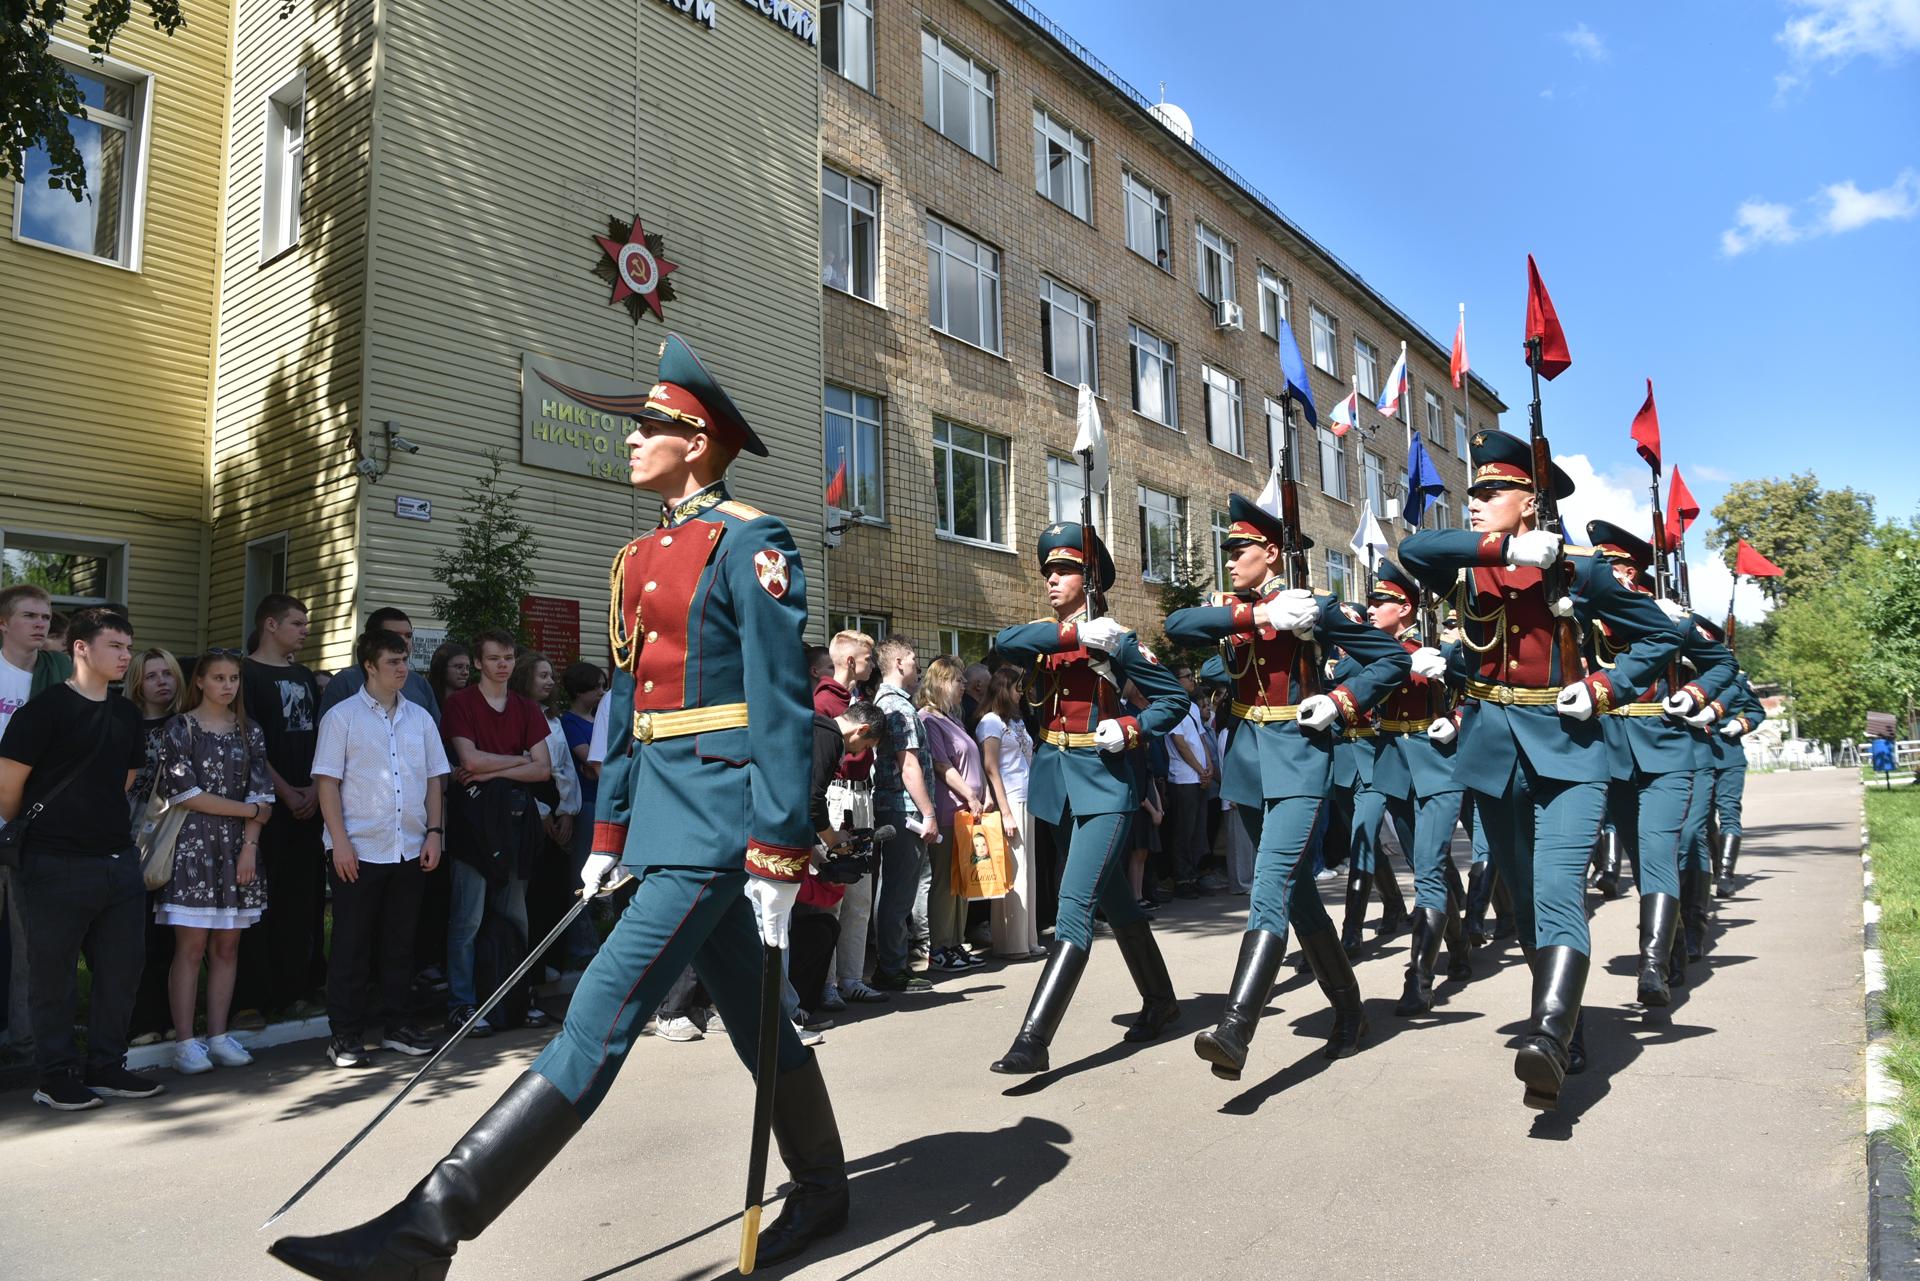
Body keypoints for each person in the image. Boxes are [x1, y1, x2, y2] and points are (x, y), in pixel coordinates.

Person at [271, 333, 850, 1277]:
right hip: (661, 816)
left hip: (714, 823)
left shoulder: (752, 540)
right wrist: (607, 831)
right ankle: (825, 1187)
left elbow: (779, 707)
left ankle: (427, 1232)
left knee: (597, 1011)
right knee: (759, 1017)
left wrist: (780, 847)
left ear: (695, 441)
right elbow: (627, 709)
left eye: (649, 427)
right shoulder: (635, 558)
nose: (631, 441)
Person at [1400, 430, 1678, 1111]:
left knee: (1556, 890)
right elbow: (1413, 549)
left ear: (1532, 500)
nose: (1476, 503)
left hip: (1570, 744)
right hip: (1494, 748)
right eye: (1475, 491)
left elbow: (1660, 635)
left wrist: (1607, 687)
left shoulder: (1580, 569)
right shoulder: (1469, 561)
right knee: (1523, 902)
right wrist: (1502, 546)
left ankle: (1548, 1035)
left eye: (1493, 492)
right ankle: (1570, 1017)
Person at [1165, 496, 1409, 1080]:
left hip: (1300, 760)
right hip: (1249, 761)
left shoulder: (1317, 607)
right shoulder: (1234, 609)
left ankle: (1235, 1029)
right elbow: (1179, 626)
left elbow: (1391, 662)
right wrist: (1258, 618)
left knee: (1270, 885)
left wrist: (1338, 700)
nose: (1229, 560)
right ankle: (1351, 1012)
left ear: (1271, 553)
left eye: (1239, 550)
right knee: (1297, 895)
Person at [987, 523, 1189, 1075]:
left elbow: (1171, 700)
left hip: (1104, 782)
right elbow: (1003, 643)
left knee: (1075, 903)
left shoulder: (1123, 641)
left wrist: (1130, 727)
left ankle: (1033, 1039)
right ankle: (1161, 1000)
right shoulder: (1050, 636)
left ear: (1090, 577)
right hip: (1057, 780)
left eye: (1064, 570)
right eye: (1048, 571)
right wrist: (1077, 638)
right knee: (1115, 899)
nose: (1051, 579)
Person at [0, 608, 162, 1111]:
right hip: (51, 863)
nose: (124, 655)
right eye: (115, 645)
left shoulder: (126, 715)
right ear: (81, 648)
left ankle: (107, 1067)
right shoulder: (43, 710)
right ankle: (55, 1076)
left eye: (128, 646)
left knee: (121, 971)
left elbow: (126, 781)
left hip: (117, 863)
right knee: (53, 976)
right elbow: (8, 788)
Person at [1580, 521, 1736, 1008]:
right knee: (1640, 851)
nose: (1601, 573)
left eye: (1610, 565)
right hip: (1611, 753)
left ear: (1631, 571)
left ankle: (1650, 965)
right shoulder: (1584, 619)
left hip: (1667, 750)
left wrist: (1694, 695)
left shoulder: (1668, 617)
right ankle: (1670, 944)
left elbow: (1722, 665)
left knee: (1659, 850)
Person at [314, 629, 450, 1068]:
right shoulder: (342, 717)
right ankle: (345, 1035)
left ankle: (397, 1025)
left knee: (400, 943)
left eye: (404, 660)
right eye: (392, 661)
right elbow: (327, 783)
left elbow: (434, 779)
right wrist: (339, 844)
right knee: (352, 945)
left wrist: (435, 832)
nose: (402, 668)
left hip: (409, 847)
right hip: (358, 849)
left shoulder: (421, 719)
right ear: (369, 666)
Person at [1353, 562, 1473, 1016]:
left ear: (1405, 607)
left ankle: (1419, 977)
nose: (1370, 609)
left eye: (1379, 602)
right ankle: (1458, 947)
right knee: (1428, 863)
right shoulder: (1372, 653)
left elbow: (1479, 692)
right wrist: (1402, 662)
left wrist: (1455, 718)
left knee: (1427, 865)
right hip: (1395, 764)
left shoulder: (1441, 649)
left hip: (1437, 761)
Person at [149, 649, 276, 1074]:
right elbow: (187, 795)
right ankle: (185, 1042)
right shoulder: (180, 728)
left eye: (234, 678)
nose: (227, 685)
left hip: (238, 851)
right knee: (191, 947)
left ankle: (218, 1035)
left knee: (228, 945)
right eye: (218, 677)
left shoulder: (250, 731)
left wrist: (250, 845)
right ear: (200, 681)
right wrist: (248, 813)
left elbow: (264, 796)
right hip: (192, 848)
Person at [439, 629, 553, 1036]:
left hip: (516, 823)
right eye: (494, 658)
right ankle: (464, 1004)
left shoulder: (526, 708)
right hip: (473, 825)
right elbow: (467, 758)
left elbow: (542, 768)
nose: (503, 665)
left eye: (508, 657)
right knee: (467, 919)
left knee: (515, 917)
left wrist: (496, 767)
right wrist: (516, 760)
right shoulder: (462, 704)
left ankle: (516, 997)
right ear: (477, 663)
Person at [238, 593, 327, 1019]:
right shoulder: (245, 674)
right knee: (261, 903)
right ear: (270, 625)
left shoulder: (305, 676)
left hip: (308, 806)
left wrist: (311, 787)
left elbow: (317, 737)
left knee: (300, 902)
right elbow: (247, 742)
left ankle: (297, 990)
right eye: (297, 623)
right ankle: (256, 997)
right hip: (265, 808)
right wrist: (286, 791)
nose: (305, 630)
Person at [0, 584, 73, 1063]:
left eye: (46, 617)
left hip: (33, 826)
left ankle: (25, 1043)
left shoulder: (59, 672)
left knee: (30, 941)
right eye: (29, 615)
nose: (41, 623)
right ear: (3, 623)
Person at [814, 630, 881, 1007]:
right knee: (833, 893)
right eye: (868, 658)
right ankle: (823, 981)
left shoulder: (856, 699)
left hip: (860, 797)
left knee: (860, 895)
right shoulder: (826, 701)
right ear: (851, 661)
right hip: (837, 794)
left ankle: (852, 977)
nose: (872, 665)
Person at [869, 634, 940, 995]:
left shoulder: (892, 703)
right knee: (899, 892)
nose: (918, 666)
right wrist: (928, 813)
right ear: (898, 663)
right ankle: (892, 968)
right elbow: (908, 765)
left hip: (896, 807)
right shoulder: (897, 706)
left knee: (896, 890)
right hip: (904, 809)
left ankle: (893, 964)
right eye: (913, 659)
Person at [917, 656, 990, 973]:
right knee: (946, 881)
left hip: (966, 811)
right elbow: (942, 764)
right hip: (950, 809)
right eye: (957, 680)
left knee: (962, 880)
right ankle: (940, 946)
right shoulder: (929, 719)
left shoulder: (953, 719)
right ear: (941, 682)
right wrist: (971, 794)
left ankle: (955, 942)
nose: (963, 686)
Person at [126, 647, 184, 1044]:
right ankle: (141, 1020)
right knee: (137, 934)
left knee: (172, 937)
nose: (161, 681)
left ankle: (168, 1019)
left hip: (180, 838)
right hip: (131, 840)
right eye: (152, 675)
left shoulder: (186, 724)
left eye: (168, 673)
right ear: (137, 683)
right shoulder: (123, 723)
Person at [976, 666, 1039, 959]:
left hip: (1026, 797)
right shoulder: (990, 722)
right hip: (1011, 800)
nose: (1020, 693)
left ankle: (1026, 938)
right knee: (1015, 870)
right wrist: (1006, 812)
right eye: (1016, 687)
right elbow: (991, 768)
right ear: (1003, 689)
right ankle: (1012, 943)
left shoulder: (1013, 721)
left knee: (1026, 869)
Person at [556, 661, 607, 973]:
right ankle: (581, 947)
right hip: (586, 803)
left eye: (603, 686)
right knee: (581, 874)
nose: (602, 692)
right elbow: (590, 760)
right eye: (596, 687)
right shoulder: (570, 722)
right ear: (578, 691)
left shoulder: (598, 720)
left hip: (603, 800)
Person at [317, 607, 441, 722]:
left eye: (408, 636)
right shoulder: (345, 681)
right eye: (395, 635)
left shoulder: (420, 683)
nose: (404, 641)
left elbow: (435, 732)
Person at [427, 642, 471, 711]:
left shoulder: (472, 703)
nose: (465, 672)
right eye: (459, 667)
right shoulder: (426, 700)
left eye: (467, 668)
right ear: (442, 668)